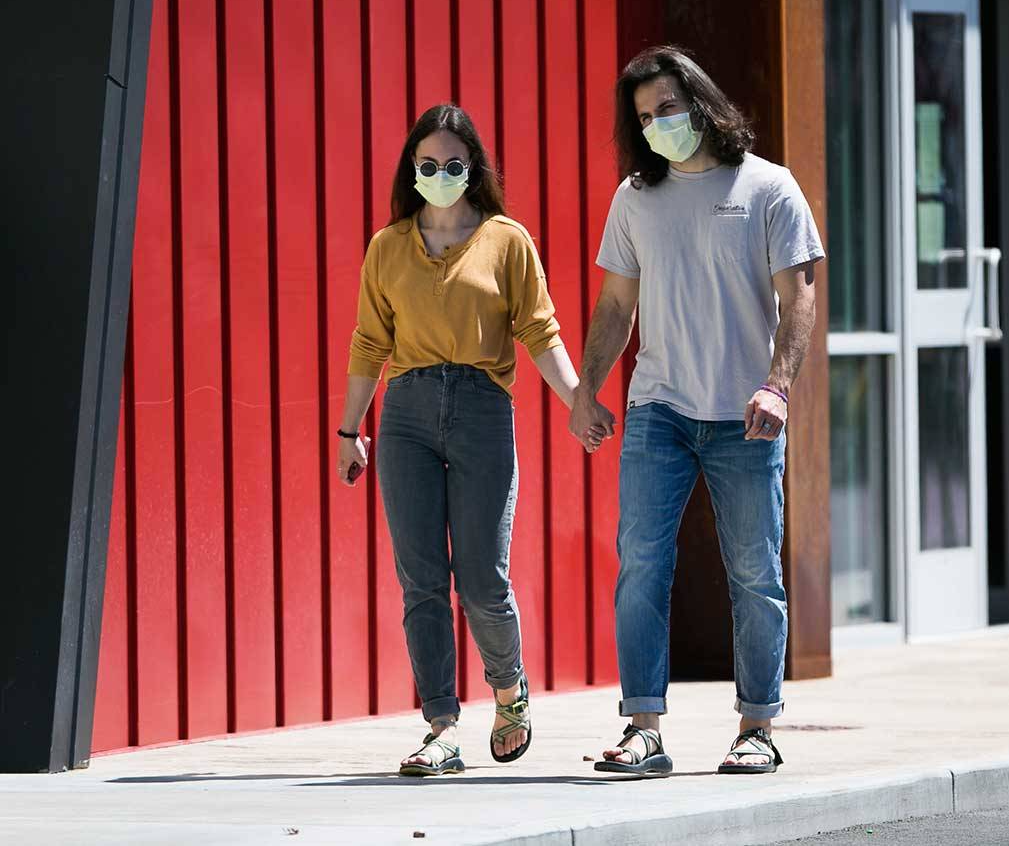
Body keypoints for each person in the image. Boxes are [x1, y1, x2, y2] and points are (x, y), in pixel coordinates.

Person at [570, 46, 825, 776]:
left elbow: (800, 295)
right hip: (660, 408)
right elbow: (615, 305)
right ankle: (643, 729)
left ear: (702, 105)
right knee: (641, 566)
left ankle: (757, 727)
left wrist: (778, 385)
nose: (657, 125)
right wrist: (587, 390)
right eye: (644, 118)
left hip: (747, 415)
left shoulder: (768, 186)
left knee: (754, 572)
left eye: (667, 109)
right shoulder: (635, 198)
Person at [337, 104, 606, 776]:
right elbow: (370, 342)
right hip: (406, 414)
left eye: (453, 164)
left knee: (483, 576)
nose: (440, 174)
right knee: (422, 579)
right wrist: (349, 430)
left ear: (474, 168)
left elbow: (539, 330)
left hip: (482, 410)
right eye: (427, 164)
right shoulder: (387, 246)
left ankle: (509, 691)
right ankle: (442, 726)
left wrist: (579, 401)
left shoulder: (506, 240)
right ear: (411, 168)